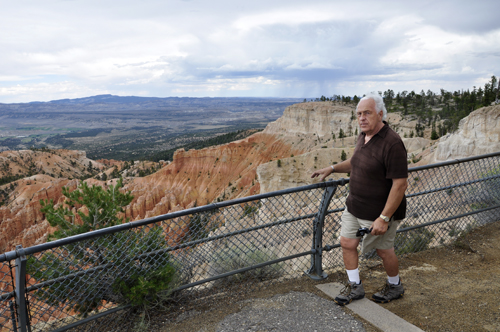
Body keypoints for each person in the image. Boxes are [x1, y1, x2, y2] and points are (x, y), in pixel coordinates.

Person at [311, 92, 408, 305]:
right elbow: (356, 162)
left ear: (380, 114)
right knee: (347, 242)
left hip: (379, 212)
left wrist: (383, 217)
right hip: (354, 206)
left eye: (367, 113)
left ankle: (395, 285)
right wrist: (333, 168)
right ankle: (355, 287)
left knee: (384, 251)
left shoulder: (392, 143)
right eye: (359, 114)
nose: (362, 118)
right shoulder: (363, 136)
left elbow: (400, 184)